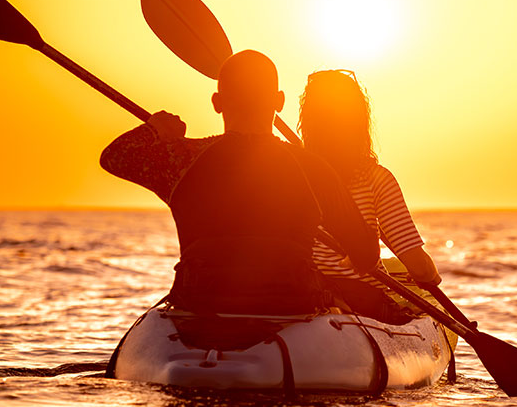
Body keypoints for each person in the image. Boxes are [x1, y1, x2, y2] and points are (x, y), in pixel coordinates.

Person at [100, 50, 378, 316]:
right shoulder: (312, 167)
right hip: (291, 305)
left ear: (217, 102)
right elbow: (366, 256)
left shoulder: (180, 159)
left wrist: (156, 129)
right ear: (279, 102)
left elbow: (114, 156)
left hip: (199, 302)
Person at [299, 69, 441, 322]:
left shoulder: (292, 172)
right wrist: (429, 274)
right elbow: (417, 265)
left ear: (307, 121)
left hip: (303, 294)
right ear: (359, 121)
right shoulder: (376, 179)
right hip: (359, 299)